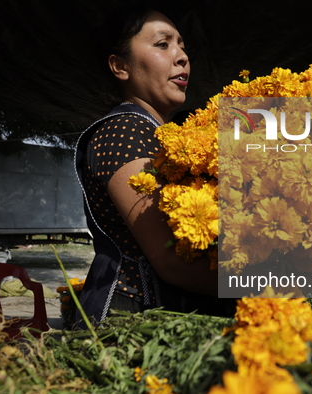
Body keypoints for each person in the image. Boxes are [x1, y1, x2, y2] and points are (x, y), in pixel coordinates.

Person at [74, 5, 230, 325]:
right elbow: (173, 260)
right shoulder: (125, 129)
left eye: (182, 46)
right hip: (132, 324)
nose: (182, 56)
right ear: (120, 66)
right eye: (163, 44)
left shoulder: (158, 133)